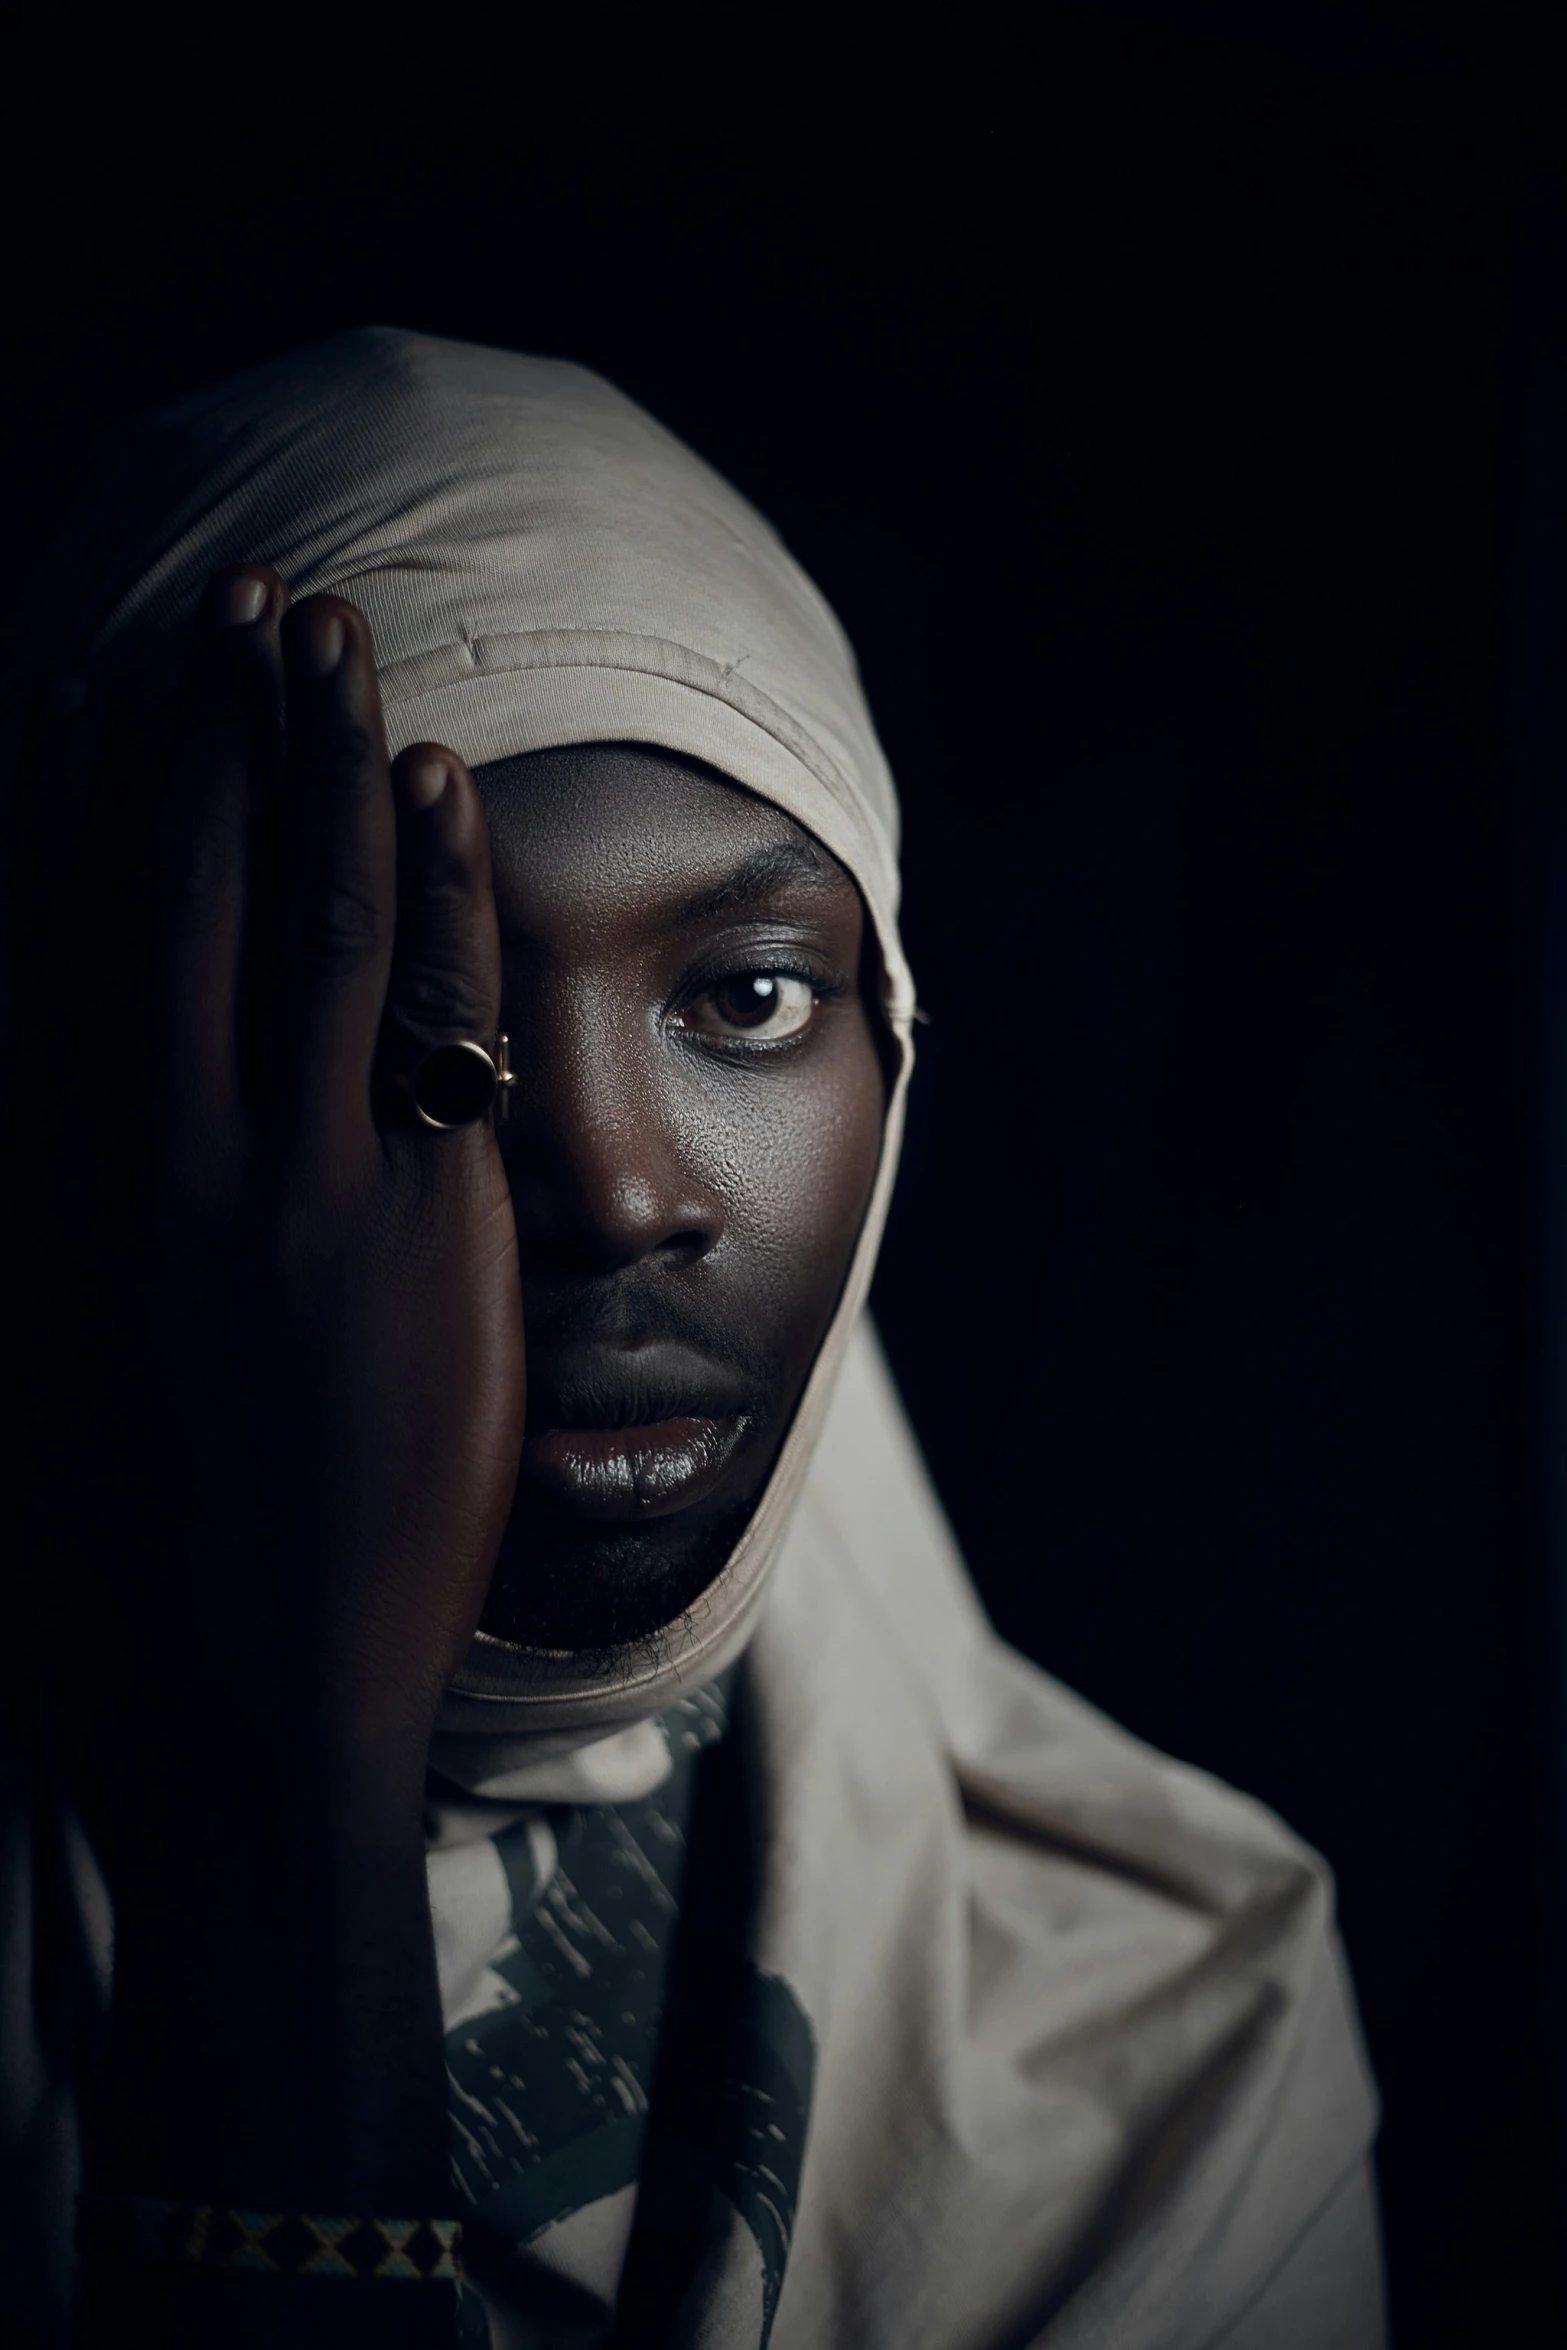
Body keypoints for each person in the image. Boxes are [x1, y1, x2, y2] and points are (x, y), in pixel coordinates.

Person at [0, 329, 1385, 2348]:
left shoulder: (1158, 2042)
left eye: (743, 998)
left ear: (891, 1037)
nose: (617, 1190)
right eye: (393, 1016)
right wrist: (287, 1785)